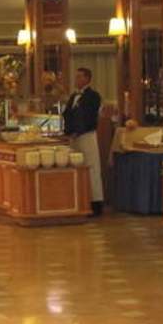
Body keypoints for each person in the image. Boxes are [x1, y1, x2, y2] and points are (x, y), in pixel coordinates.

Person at [62, 67, 104, 215]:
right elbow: (68, 114)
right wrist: (68, 132)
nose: (76, 79)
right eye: (76, 77)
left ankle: (95, 203)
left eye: (79, 77)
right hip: (74, 137)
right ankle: (80, 201)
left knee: (91, 167)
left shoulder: (93, 96)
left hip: (87, 135)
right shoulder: (74, 96)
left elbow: (89, 116)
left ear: (87, 79)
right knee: (77, 167)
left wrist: (78, 131)